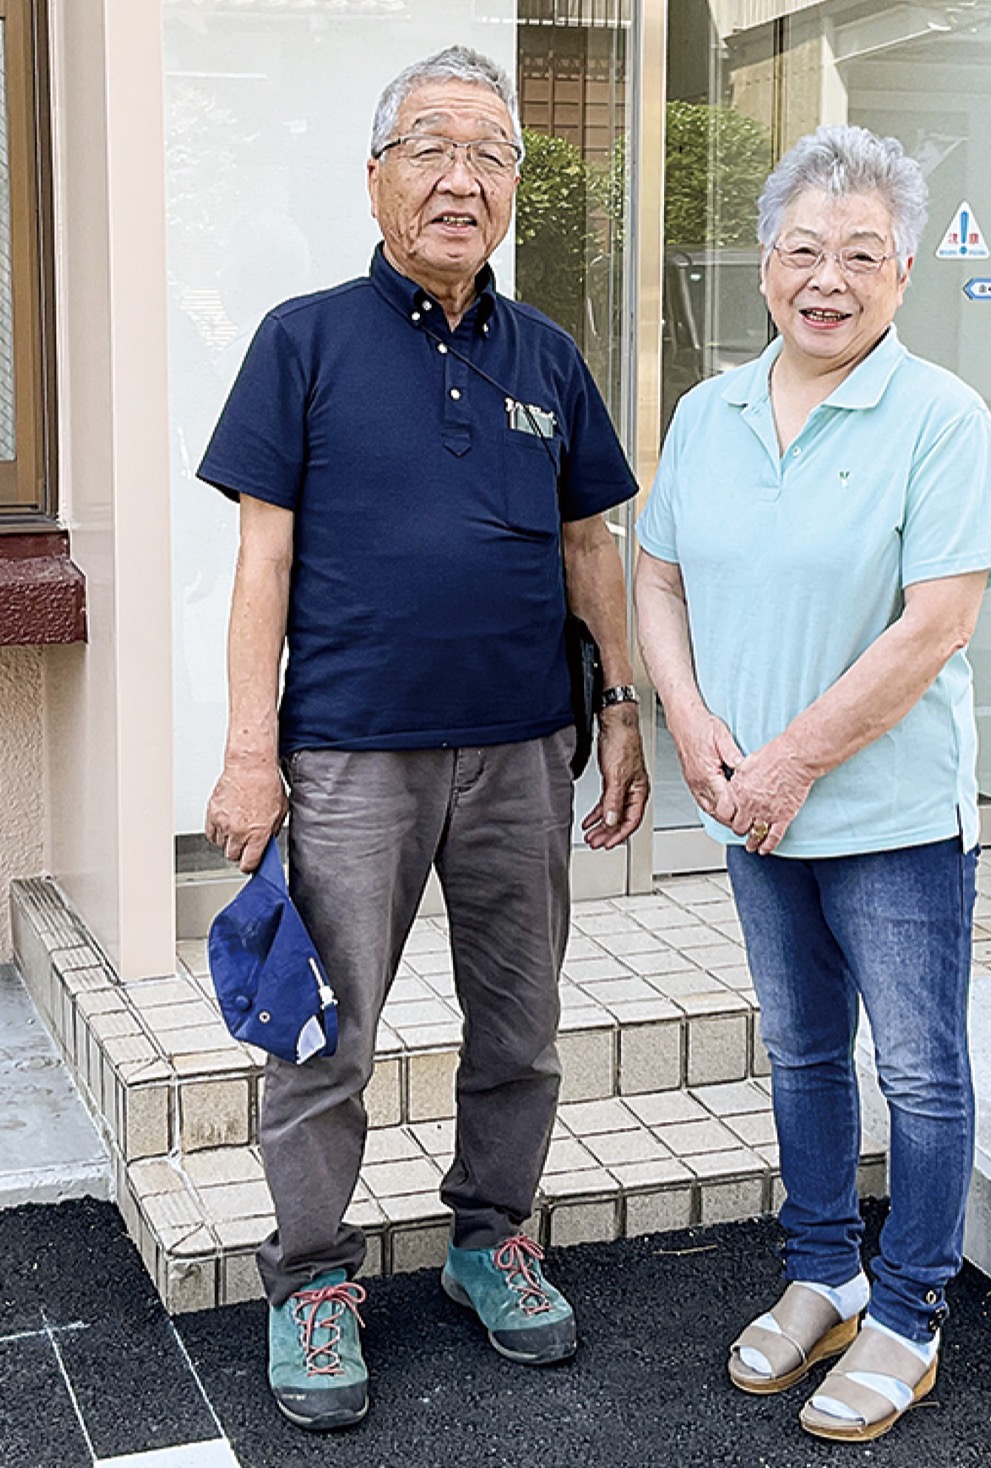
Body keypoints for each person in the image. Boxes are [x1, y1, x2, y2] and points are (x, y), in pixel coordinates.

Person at [201, 45, 648, 1432]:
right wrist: (247, 750)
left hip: (522, 750)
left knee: (519, 1026)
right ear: (379, 174)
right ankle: (309, 1278)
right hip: (349, 755)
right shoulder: (305, 337)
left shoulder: (549, 357)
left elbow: (590, 543)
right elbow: (260, 564)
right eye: (432, 146)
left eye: (493, 155)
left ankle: (489, 1238)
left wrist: (622, 708)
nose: (463, 177)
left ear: (514, 187)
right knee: (329, 1037)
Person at [635, 124, 991, 1443]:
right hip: (750, 805)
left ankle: (908, 1316)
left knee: (918, 1069)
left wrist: (790, 762)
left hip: (889, 818)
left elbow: (939, 624)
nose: (829, 277)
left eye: (862, 254)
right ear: (762, 264)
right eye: (805, 249)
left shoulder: (942, 419)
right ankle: (824, 1272)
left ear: (905, 272)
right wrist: (691, 727)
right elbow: (661, 576)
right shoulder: (709, 413)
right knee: (801, 1051)